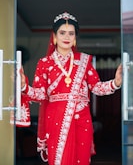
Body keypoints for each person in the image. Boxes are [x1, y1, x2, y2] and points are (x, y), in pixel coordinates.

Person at [20, 12, 122, 165]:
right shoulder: (45, 63)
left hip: (82, 119)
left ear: (75, 38)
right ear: (54, 36)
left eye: (71, 33)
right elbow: (40, 94)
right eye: (62, 33)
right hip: (56, 118)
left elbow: (96, 87)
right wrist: (23, 86)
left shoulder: (84, 61)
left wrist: (116, 82)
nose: (66, 37)